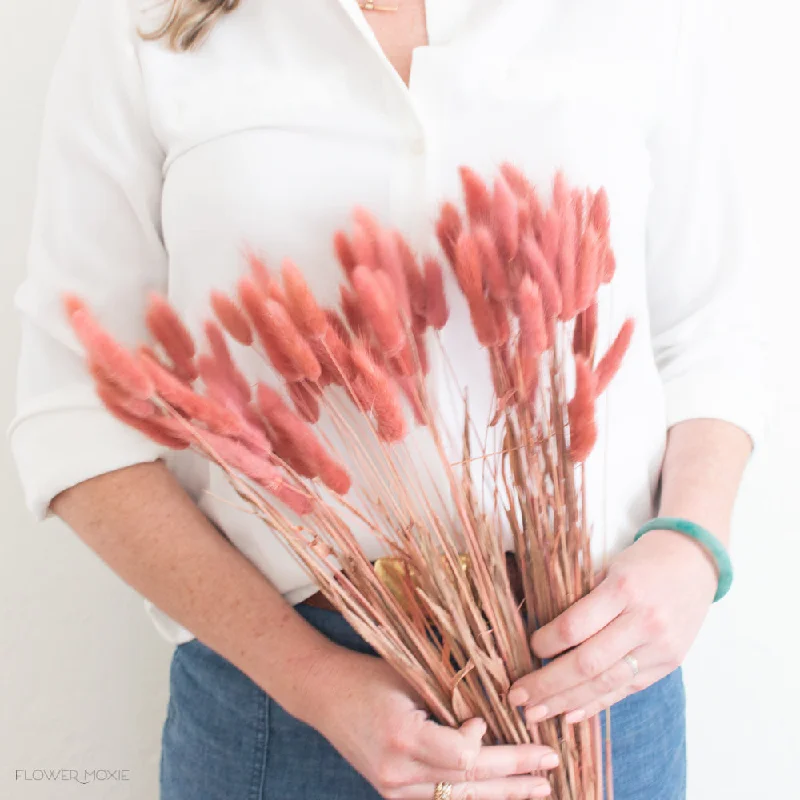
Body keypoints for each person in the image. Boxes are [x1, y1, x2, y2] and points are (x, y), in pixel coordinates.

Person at [10, 1, 764, 798]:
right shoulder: (142, 19)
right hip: (284, 698)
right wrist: (312, 680)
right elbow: (77, 416)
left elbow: (710, 331)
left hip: (595, 681)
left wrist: (691, 547)